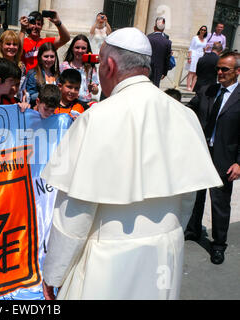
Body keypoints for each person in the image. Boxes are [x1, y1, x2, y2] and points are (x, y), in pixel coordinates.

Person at [40, 27, 221, 300]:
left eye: (100, 63)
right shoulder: (185, 115)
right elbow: (187, 200)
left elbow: (74, 215)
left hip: (108, 263)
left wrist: (53, 274)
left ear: (110, 65)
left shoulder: (95, 119)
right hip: (164, 256)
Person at [185, 52, 240, 265]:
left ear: (237, 71)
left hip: (224, 158)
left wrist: (238, 163)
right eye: (218, 68)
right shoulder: (209, 90)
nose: (219, 73)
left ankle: (218, 244)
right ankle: (193, 229)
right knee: (196, 195)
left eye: (224, 69)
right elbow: (191, 108)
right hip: (202, 153)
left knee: (219, 202)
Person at [60, 34, 99, 103]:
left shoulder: (90, 68)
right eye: (77, 47)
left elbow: (95, 92)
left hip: (85, 102)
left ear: (87, 50)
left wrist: (93, 88)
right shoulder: (64, 66)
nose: (80, 51)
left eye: (83, 48)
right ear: (72, 48)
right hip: (68, 103)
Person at [0, 30, 27, 100]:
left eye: (15, 44)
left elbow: (22, 89)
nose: (12, 47)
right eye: (8, 44)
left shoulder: (22, 67)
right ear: (1, 45)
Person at [147, 17, 172, 87]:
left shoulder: (148, 37)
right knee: (155, 87)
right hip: (158, 69)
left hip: (147, 66)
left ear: (154, 27)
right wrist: (165, 72)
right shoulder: (167, 42)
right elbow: (167, 58)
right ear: (163, 28)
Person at [185, 26, 208, 91]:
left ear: (205, 31)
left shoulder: (205, 40)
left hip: (201, 56)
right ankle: (188, 86)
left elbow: (203, 49)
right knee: (191, 72)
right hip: (194, 55)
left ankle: (193, 87)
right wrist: (189, 57)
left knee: (197, 73)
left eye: (204, 30)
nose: (203, 31)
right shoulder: (195, 38)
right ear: (199, 30)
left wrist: (206, 50)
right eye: (202, 29)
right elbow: (191, 48)